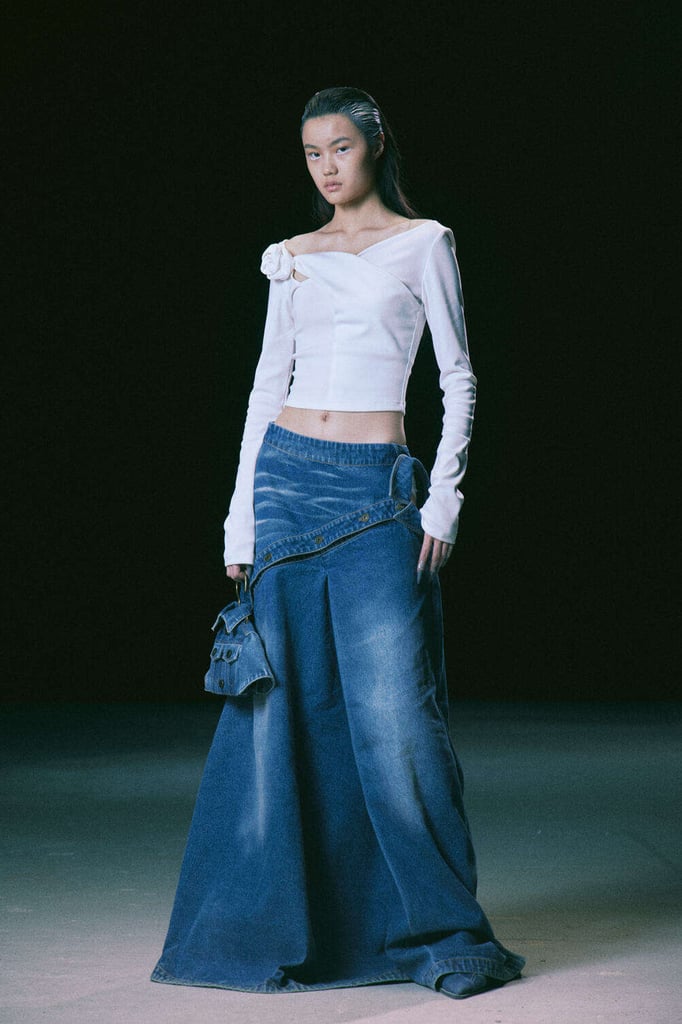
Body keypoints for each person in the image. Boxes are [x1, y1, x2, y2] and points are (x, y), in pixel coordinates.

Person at [151, 86, 525, 1001]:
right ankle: (288, 928)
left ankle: (442, 935)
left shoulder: (424, 242)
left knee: (397, 721)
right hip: (284, 481)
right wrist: (239, 517)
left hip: (375, 489)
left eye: (341, 148)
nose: (326, 166)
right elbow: (263, 384)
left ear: (375, 145)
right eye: (312, 152)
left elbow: (459, 376)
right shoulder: (292, 257)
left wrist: (443, 499)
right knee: (283, 710)